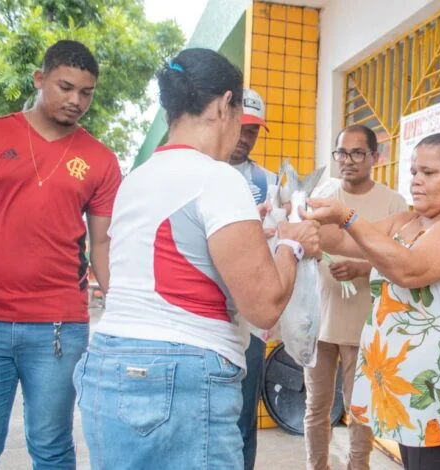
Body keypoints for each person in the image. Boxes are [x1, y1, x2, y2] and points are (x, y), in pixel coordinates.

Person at [73, 48, 320, 469]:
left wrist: (252, 233)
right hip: (180, 376)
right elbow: (262, 306)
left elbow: (176, 251)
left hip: (108, 367)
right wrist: (291, 245)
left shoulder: (137, 179)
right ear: (225, 104)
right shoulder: (216, 178)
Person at [304, 132, 440, 470]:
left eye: (429, 173)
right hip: (409, 393)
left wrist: (347, 216)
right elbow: (346, 242)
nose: (417, 181)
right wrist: (297, 218)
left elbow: (409, 270)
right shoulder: (408, 221)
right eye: (413, 173)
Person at [0, 40, 121, 469]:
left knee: (51, 446)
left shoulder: (101, 160)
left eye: (86, 92)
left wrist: (119, 306)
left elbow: (101, 242)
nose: (76, 101)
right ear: (39, 79)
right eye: (66, 87)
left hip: (58, 325)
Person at [304, 124, 407, 470]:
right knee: (316, 408)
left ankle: (356, 466)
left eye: (357, 153)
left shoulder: (393, 202)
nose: (347, 161)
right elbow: (307, 241)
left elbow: (400, 259)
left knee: (359, 409)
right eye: (341, 153)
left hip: (366, 324)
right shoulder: (323, 194)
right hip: (320, 319)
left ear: (375, 157)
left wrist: (362, 268)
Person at [229, 87, 277, 470]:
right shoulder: (198, 172)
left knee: (244, 417)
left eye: (254, 131)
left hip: (249, 321)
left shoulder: (269, 183)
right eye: (242, 126)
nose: (246, 137)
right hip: (202, 315)